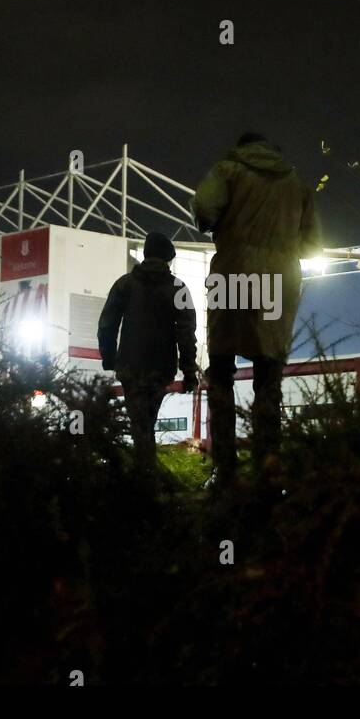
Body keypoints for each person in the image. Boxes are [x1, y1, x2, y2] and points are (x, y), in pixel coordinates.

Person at [192, 133, 321, 488]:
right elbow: (312, 245)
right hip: (278, 282)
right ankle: (269, 468)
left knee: (220, 367)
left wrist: (222, 228)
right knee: (269, 372)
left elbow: (205, 208)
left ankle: (225, 470)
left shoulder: (227, 169)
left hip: (232, 274)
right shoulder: (297, 182)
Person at [97, 232, 199, 474]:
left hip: (130, 367)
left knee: (140, 424)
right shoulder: (178, 289)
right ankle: (148, 475)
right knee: (147, 422)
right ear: (167, 259)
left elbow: (107, 324)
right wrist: (188, 370)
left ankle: (144, 475)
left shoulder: (124, 284)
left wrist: (109, 358)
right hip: (161, 369)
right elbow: (186, 332)